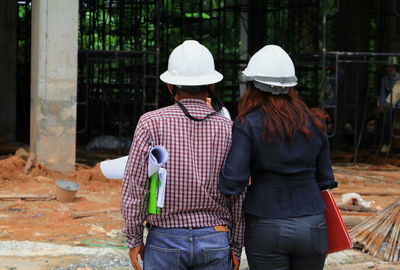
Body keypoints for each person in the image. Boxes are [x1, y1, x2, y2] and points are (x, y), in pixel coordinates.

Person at [121, 40, 244, 270]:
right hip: (215, 238)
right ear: (211, 86)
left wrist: (134, 238)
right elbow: (238, 192)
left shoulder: (150, 124)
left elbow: (135, 187)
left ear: (169, 85)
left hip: (164, 239)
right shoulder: (229, 128)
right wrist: (236, 246)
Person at [219, 45, 338, 270]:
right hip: (312, 222)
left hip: (266, 223)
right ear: (291, 86)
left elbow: (233, 182)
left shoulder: (247, 124)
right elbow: (326, 180)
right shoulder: (315, 122)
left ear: (252, 86)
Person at [377, 57, 400, 152]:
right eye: (388, 67)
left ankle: (396, 146)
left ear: (396, 68)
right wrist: (381, 105)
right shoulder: (384, 79)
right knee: (386, 123)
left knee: (397, 125)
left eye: (392, 67)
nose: (390, 69)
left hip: (397, 105)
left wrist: (388, 104)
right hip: (389, 106)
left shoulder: (399, 79)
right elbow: (383, 93)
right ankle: (387, 143)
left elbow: (396, 93)